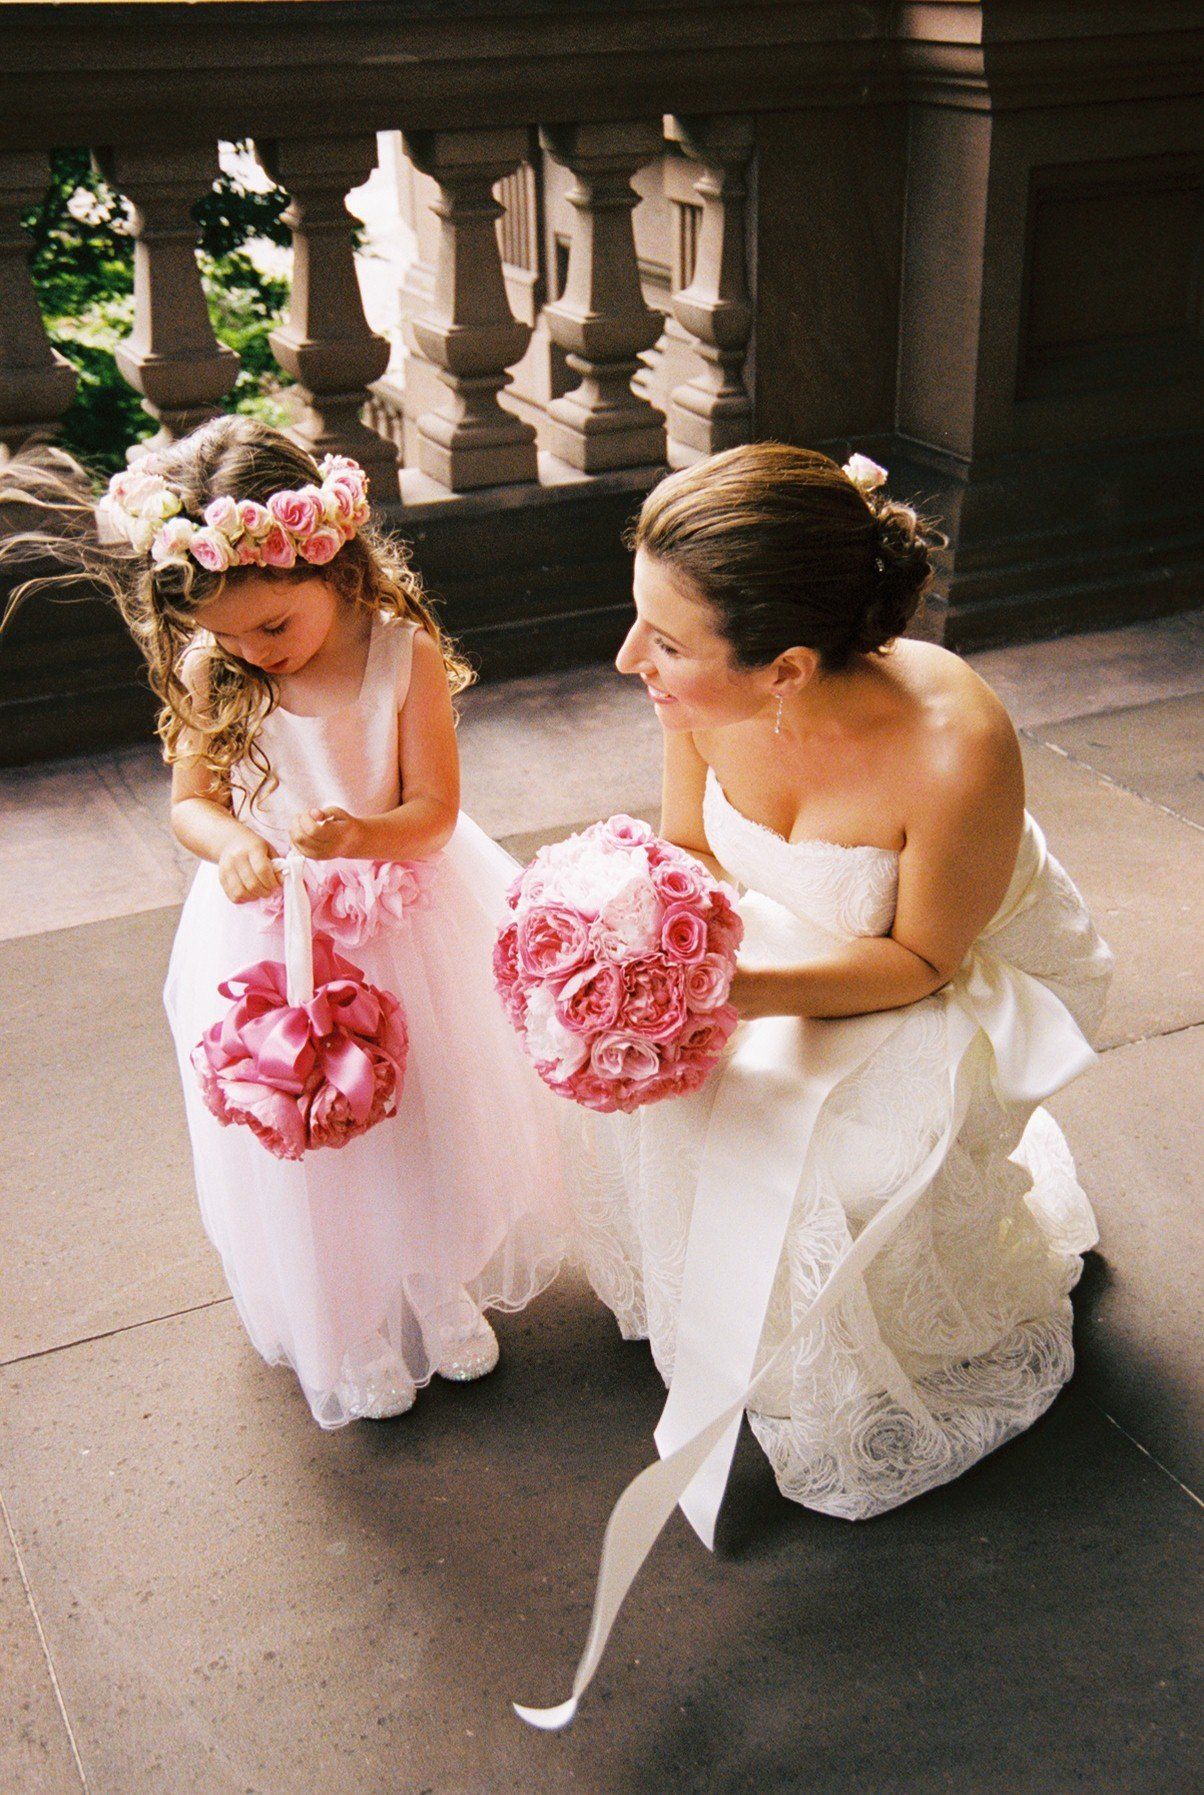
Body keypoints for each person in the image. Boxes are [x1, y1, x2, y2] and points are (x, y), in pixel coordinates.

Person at [570, 442, 1114, 1529]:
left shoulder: (954, 743)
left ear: (786, 669)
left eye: (667, 641)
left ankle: (888, 1330)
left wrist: (718, 998)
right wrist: (651, 968)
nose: (631, 655)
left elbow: (921, 961)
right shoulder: (695, 693)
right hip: (789, 939)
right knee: (666, 1089)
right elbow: (693, 850)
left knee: (846, 1158)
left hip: (950, 972)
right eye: (641, 617)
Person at [2, 418, 564, 1426]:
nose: (251, 652)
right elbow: (191, 802)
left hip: (398, 919)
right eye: (224, 636)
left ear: (338, 567)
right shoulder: (221, 668)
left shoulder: (402, 654)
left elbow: (434, 810)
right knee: (312, 1129)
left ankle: (435, 1281)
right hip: (272, 934)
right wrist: (231, 846)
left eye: (270, 628)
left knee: (425, 1107)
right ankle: (343, 1319)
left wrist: (360, 832)